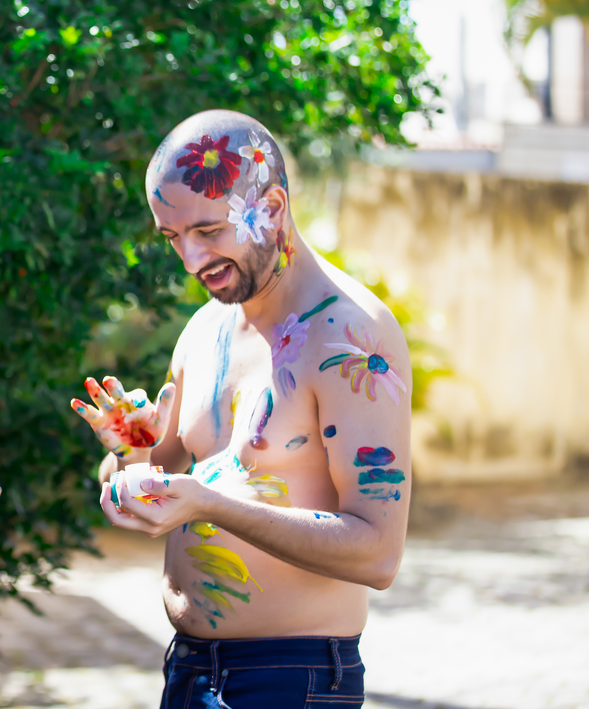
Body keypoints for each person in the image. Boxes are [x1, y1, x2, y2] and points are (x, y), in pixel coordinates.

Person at [71, 110, 410, 708]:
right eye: (173, 237)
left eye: (207, 231)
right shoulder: (205, 330)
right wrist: (129, 453)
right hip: (189, 670)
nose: (190, 260)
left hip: (293, 678)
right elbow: (151, 480)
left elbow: (378, 553)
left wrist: (209, 504)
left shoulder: (349, 338)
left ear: (272, 208)